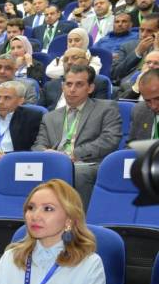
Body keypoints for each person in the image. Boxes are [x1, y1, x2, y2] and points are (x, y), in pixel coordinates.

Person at [33, 65, 123, 207]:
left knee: (77, 172)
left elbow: (109, 140)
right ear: (62, 87)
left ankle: (79, 218)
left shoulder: (106, 108)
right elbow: (38, 145)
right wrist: (46, 153)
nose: (72, 89)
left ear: (90, 88)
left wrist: (74, 154)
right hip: (55, 161)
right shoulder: (50, 117)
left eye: (79, 84)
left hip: (87, 162)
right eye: (68, 84)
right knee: (26, 169)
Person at [40, 48, 112, 108]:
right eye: (65, 59)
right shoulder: (50, 86)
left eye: (75, 58)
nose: (69, 62)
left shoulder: (99, 83)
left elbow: (99, 113)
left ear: (86, 61)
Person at [129, 69, 159, 141]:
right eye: (148, 101)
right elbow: (132, 144)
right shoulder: (140, 111)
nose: (153, 106)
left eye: (158, 99)